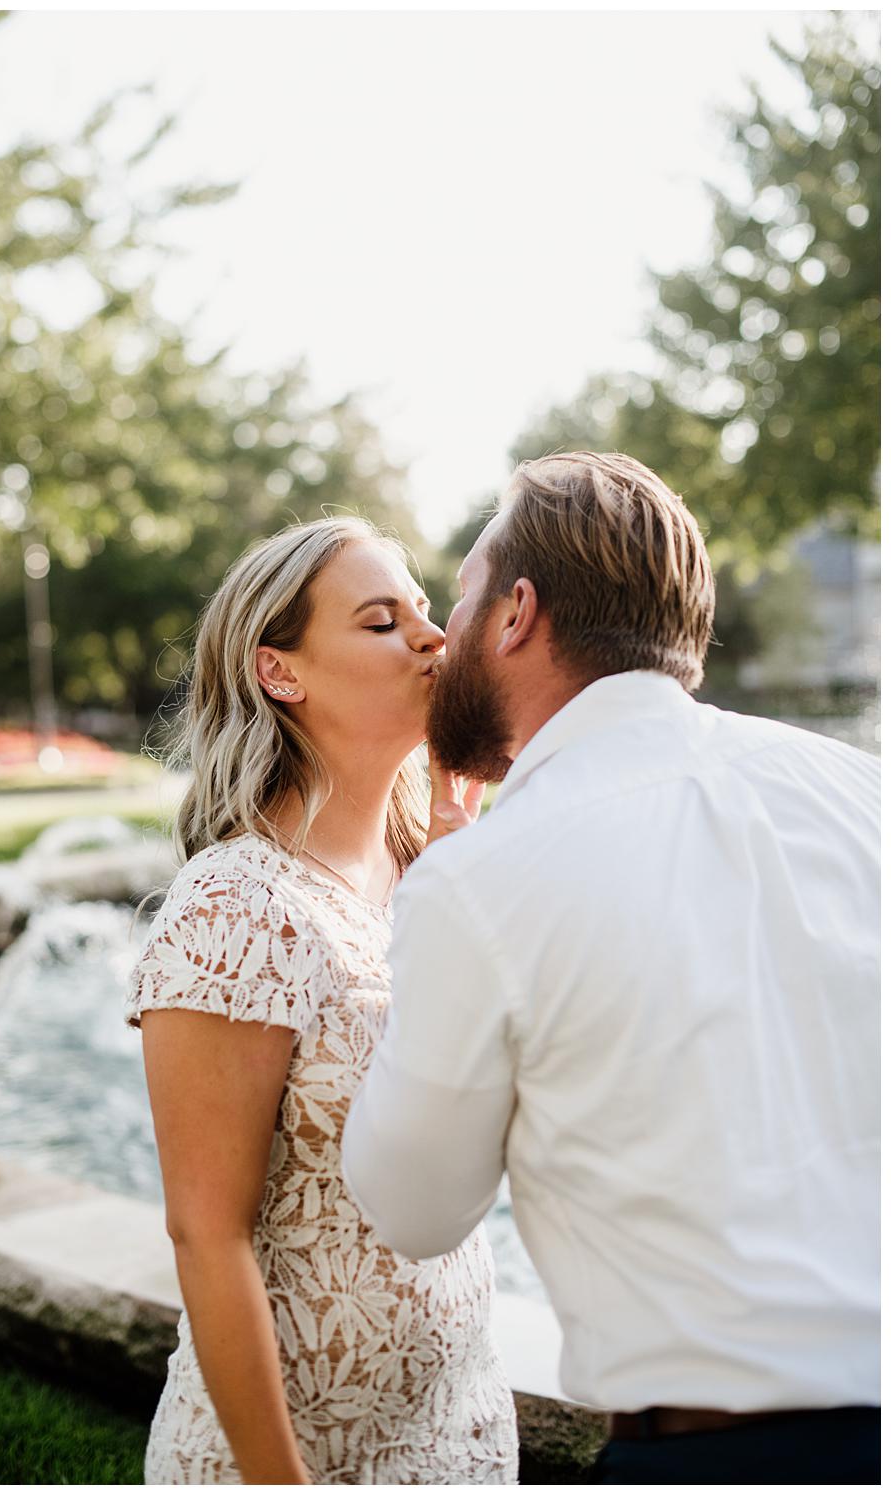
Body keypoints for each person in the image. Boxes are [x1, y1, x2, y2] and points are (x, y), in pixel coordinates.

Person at [343, 452, 880, 1485]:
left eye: (456, 599)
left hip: (729, 1456)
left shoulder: (479, 881)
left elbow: (411, 1209)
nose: (436, 637)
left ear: (513, 616)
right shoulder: (861, 791)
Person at [128, 515, 516, 1484]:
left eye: (425, 612)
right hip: (300, 1458)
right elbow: (205, 1235)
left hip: (462, 1433)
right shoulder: (233, 906)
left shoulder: (432, 866)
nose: (433, 639)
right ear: (279, 672)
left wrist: (455, 855)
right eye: (382, 623)